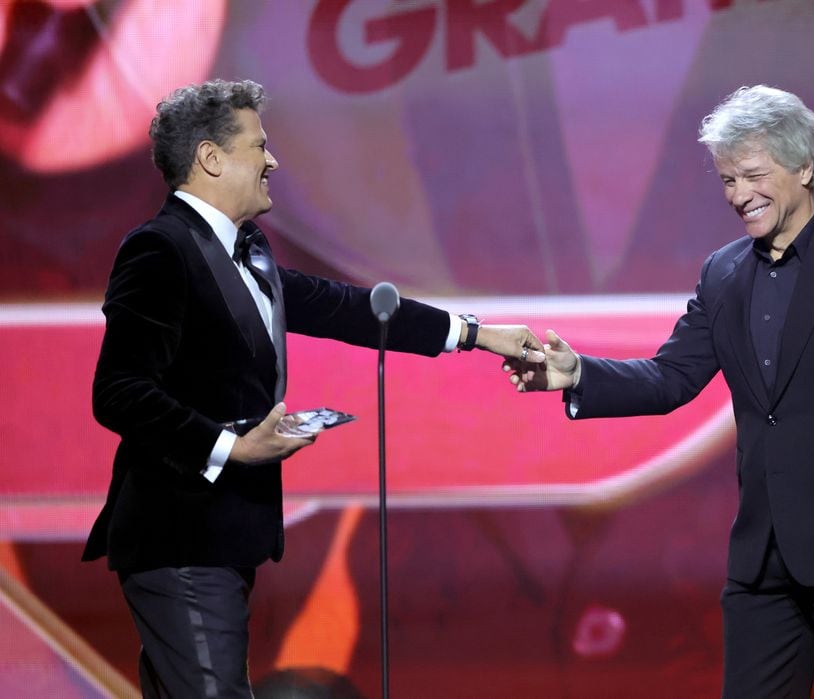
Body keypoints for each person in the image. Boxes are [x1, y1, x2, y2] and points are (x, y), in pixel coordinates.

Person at [83, 78, 545, 698]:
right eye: (260, 146)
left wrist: (477, 334)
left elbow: (350, 310)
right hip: (179, 536)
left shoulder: (250, 254)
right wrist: (230, 447)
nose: (273, 161)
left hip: (220, 539)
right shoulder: (159, 250)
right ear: (211, 159)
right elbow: (118, 390)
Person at [505, 85, 814, 697]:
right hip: (762, 558)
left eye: (753, 175)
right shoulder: (724, 271)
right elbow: (672, 376)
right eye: (729, 180)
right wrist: (579, 375)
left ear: (805, 167)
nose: (738, 195)